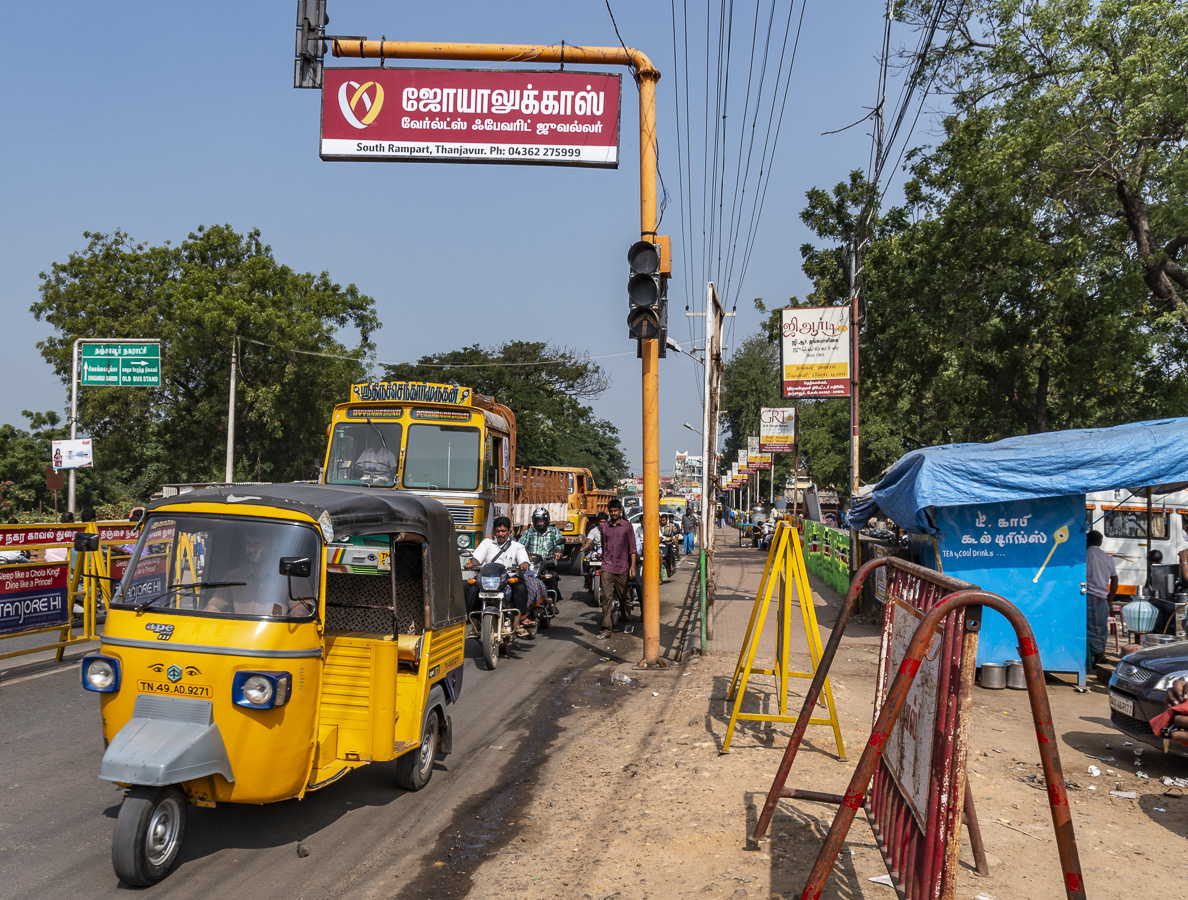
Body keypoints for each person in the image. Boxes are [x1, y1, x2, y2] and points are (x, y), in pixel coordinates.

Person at [205, 530, 306, 617]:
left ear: (274, 544)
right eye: (248, 544)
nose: (252, 549)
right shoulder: (233, 577)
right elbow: (213, 608)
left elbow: (298, 613)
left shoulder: (292, 579)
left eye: (258, 544)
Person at [464, 516, 530, 636]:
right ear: (494, 531)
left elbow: (523, 560)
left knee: (520, 587)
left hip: (507, 579)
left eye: (503, 531)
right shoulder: (487, 543)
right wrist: (471, 563)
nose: (500, 534)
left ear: (509, 531)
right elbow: (476, 559)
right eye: (498, 531)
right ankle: (474, 625)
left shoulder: (517, 546)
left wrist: (524, 564)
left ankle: (517, 624)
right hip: (487, 580)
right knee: (472, 588)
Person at [581, 498, 636, 639]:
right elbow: (603, 546)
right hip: (607, 565)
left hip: (623, 566)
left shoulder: (627, 526)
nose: (613, 514)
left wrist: (633, 566)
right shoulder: (604, 528)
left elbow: (632, 549)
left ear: (620, 511)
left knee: (625, 597)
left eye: (615, 511)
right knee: (606, 598)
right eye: (611, 511)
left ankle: (627, 622)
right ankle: (606, 629)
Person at [517, 507, 564, 620]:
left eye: (542, 521)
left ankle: (551, 602)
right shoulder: (529, 532)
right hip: (533, 564)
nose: (540, 523)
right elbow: (520, 545)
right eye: (537, 521)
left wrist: (558, 552)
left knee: (552, 577)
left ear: (546, 520)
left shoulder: (554, 532)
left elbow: (560, 544)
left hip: (548, 564)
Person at [1085, 529, 1118, 667]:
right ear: (1100, 542)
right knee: (1101, 629)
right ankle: (1099, 654)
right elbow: (1115, 580)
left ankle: (1095, 655)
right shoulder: (1107, 558)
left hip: (1087, 596)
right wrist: (1110, 599)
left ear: (1087, 540)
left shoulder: (1083, 556)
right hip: (1102, 598)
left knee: (1088, 628)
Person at [583, 510, 609, 592]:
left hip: (608, 553)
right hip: (595, 553)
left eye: (604, 522)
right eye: (600, 522)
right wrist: (583, 548)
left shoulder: (610, 530)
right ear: (598, 522)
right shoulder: (594, 530)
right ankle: (587, 581)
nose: (602, 524)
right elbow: (589, 541)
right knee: (585, 562)